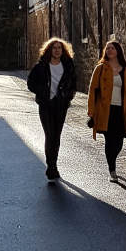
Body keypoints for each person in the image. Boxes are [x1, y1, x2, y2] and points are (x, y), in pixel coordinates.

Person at [87, 41, 126, 183]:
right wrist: (91, 112)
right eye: (108, 48)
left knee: (119, 143)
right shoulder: (100, 69)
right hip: (105, 110)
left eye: (112, 48)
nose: (110, 50)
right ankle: (112, 169)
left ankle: (112, 161)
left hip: (121, 110)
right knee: (109, 140)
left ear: (118, 51)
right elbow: (92, 90)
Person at [27, 37, 76, 182]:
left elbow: (73, 84)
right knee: (50, 135)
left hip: (60, 105)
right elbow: (30, 83)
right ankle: (51, 166)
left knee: (57, 136)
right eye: (54, 48)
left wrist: (67, 97)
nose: (57, 50)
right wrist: (43, 92)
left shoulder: (68, 65)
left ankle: (53, 164)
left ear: (63, 50)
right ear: (49, 50)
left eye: (59, 48)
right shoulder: (41, 66)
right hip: (46, 105)